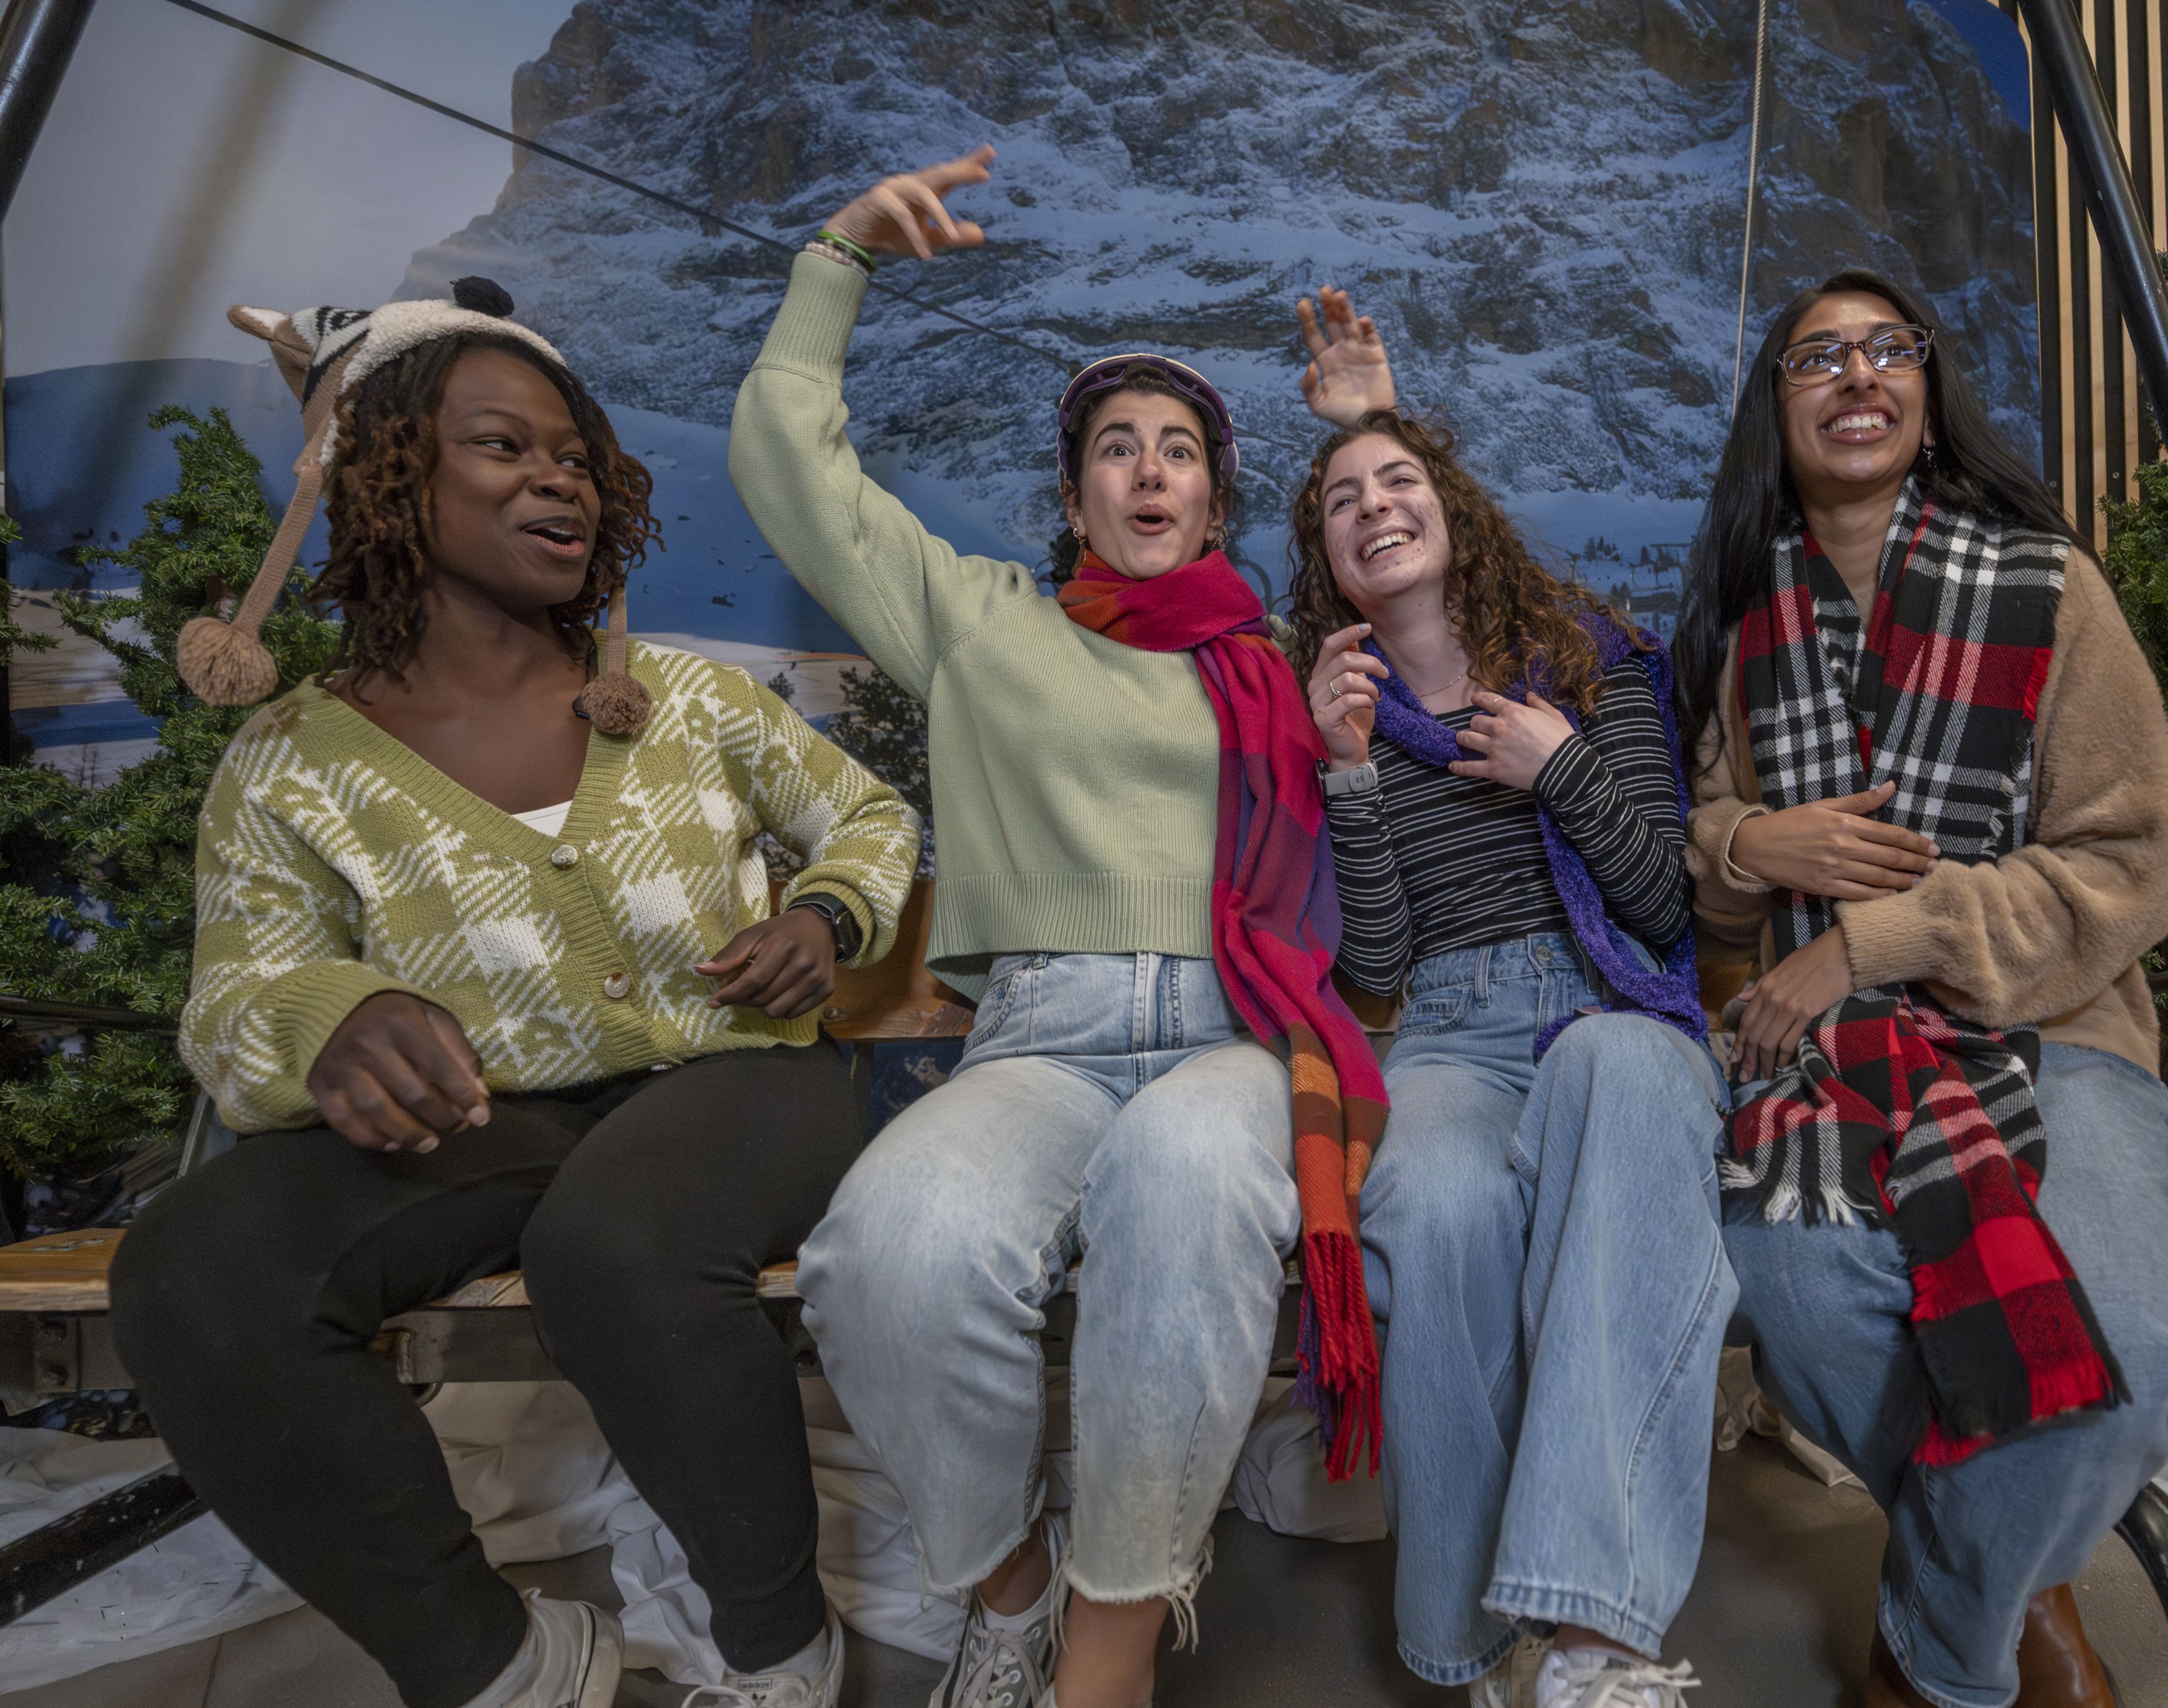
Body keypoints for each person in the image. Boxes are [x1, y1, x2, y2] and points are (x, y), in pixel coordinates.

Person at [111, 279, 920, 1708]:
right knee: (196, 1267)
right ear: (383, 473)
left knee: (621, 1245)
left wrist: (824, 908)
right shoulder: (295, 756)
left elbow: (871, 820)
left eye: (573, 456)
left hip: (736, 1077)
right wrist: (331, 1016)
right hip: (498, 1114)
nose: (555, 475)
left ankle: (777, 1641)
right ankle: (495, 1664)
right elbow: (235, 995)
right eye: (501, 444)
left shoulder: (683, 699)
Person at [728, 150, 1388, 1708]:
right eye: (1115, 448)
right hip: (1041, 1034)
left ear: (1219, 494)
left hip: (1241, 1033)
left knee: (1181, 1176)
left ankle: (1109, 1647)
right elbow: (789, 465)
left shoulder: (1287, 661)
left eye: (1179, 450)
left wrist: (1364, 429)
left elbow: (1437, 598)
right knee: (889, 1248)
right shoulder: (982, 621)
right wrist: (844, 251)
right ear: (1076, 488)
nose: (1149, 472)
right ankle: (1007, 1584)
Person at [1675, 269, 2168, 1708]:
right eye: (1814, 360)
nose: (1854, 377)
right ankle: (2018, 1586)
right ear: (1774, 411)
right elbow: (1702, 873)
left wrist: (1874, 937)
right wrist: (1747, 838)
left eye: (1884, 351)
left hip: (2052, 1031)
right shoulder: (1744, 627)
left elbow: (2128, 865)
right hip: (1820, 1049)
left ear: (1925, 389)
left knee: (2109, 1355)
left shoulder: (2049, 590)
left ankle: (1926, 1654)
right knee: (1796, 1289)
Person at [1290, 292, 1719, 1708]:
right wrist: (1350, 774)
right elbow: (1374, 973)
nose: (1375, 509)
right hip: (1456, 1032)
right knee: (1436, 1207)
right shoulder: (1348, 715)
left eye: (1400, 482)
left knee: (1616, 1071)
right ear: (1328, 565)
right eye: (1344, 503)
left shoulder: (1590, 667)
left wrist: (1561, 769)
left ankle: (1589, 1642)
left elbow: (1663, 908)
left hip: (1613, 1004)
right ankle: (1466, 1648)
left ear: (1454, 513)